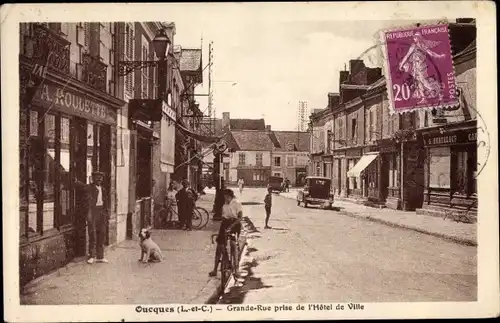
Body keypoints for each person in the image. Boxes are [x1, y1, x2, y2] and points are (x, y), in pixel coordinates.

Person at [75, 171, 109, 264]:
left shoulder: (104, 189)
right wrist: (73, 179)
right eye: (97, 177)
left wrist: (106, 214)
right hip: (93, 213)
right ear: (93, 179)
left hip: (101, 213)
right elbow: (80, 185)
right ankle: (92, 256)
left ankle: (100, 256)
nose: (99, 179)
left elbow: (106, 203)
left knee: (101, 234)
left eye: (101, 178)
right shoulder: (89, 188)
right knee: (92, 234)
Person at [209, 188, 243, 277]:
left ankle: (236, 269)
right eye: (225, 197)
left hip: (235, 223)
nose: (225, 199)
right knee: (219, 246)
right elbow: (223, 217)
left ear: (230, 197)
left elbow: (240, 218)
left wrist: (231, 227)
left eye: (227, 197)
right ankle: (215, 269)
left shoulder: (237, 203)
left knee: (233, 244)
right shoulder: (224, 205)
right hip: (225, 223)